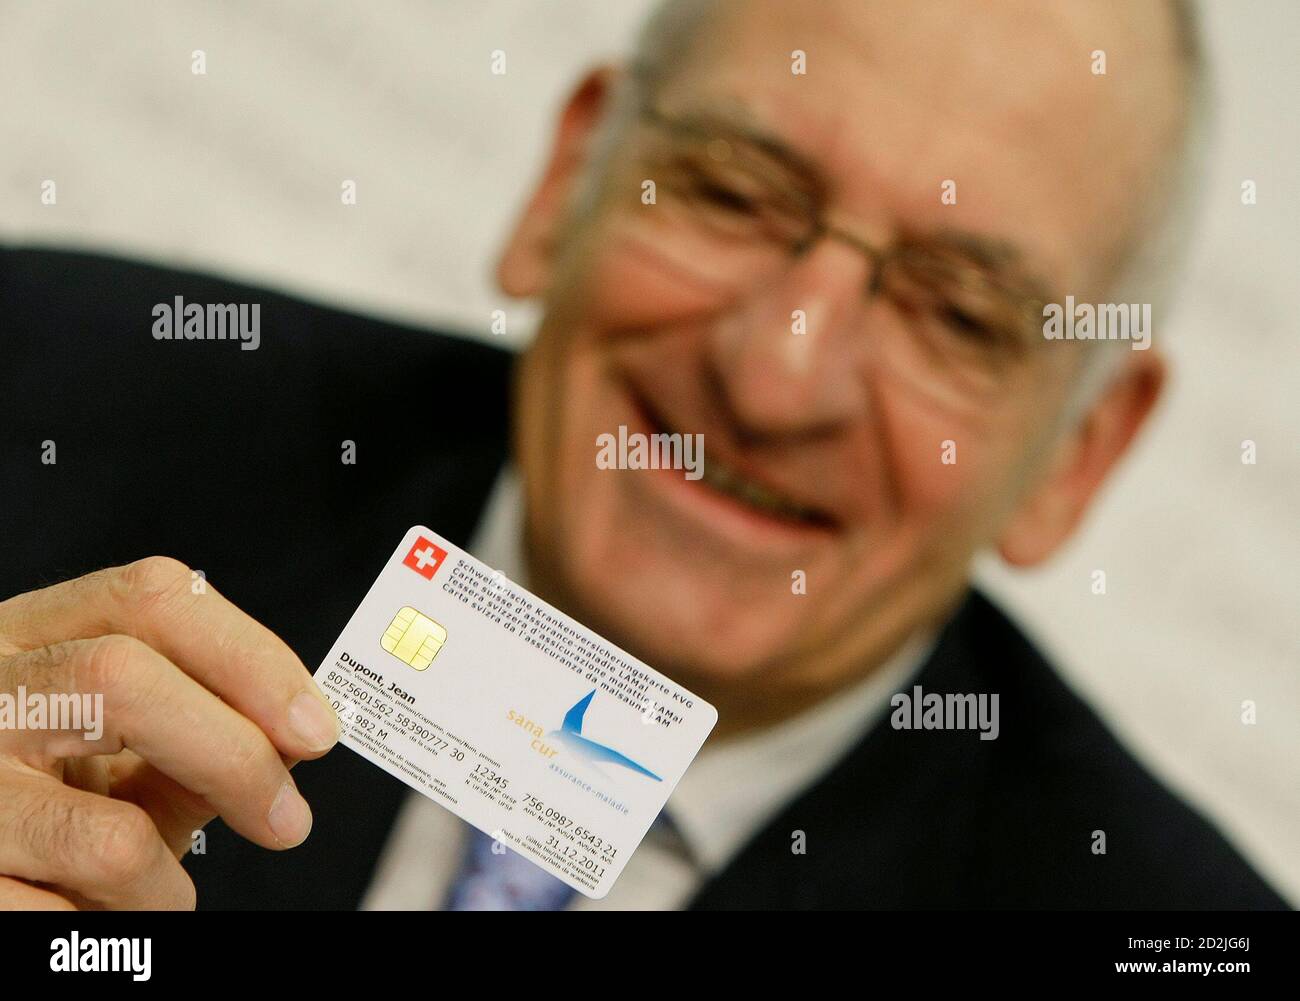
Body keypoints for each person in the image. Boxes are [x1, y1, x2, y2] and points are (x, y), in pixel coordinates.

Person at [0, 0, 1285, 909]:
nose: (779, 372)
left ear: (1080, 453)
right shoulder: (35, 391)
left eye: (956, 314)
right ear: (569, 182)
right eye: (732, 193)